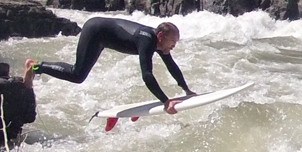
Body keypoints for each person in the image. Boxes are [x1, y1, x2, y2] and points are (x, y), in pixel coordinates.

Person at [23, 18, 195, 114]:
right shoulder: (147, 40)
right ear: (160, 36)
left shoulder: (159, 44)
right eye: (172, 41)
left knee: (78, 75)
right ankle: (35, 66)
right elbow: (147, 75)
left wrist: (187, 90)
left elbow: (171, 66)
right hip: (95, 31)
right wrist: (166, 102)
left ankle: (36, 67)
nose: (173, 46)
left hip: (103, 36)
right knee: (77, 75)